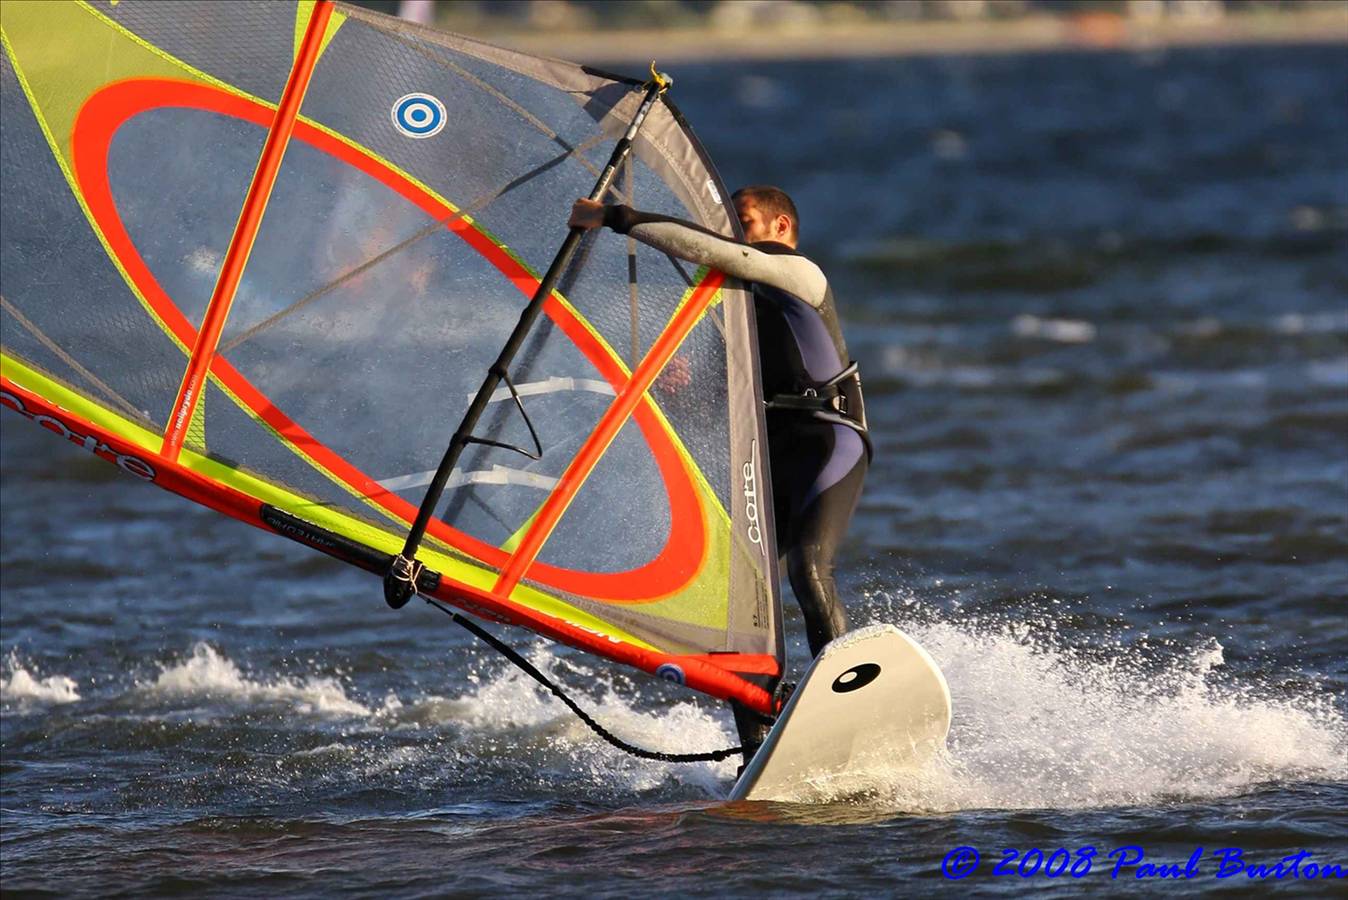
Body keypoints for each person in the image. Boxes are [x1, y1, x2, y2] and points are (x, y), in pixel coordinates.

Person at [570, 187, 871, 765]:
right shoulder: (733, 312)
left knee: (808, 569)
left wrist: (615, 217)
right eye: (729, 220)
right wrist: (676, 393)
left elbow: (722, 254)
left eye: (744, 220)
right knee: (737, 607)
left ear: (781, 227)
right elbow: (711, 407)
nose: (733, 229)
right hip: (770, 455)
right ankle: (759, 745)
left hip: (829, 443)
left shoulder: (800, 274)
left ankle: (849, 707)